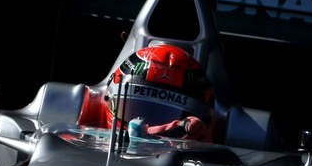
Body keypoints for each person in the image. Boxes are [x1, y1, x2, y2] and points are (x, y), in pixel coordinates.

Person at [77, 43, 217, 143]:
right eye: (137, 109)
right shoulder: (79, 112)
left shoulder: (198, 131)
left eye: (163, 114)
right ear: (108, 97)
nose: (138, 127)